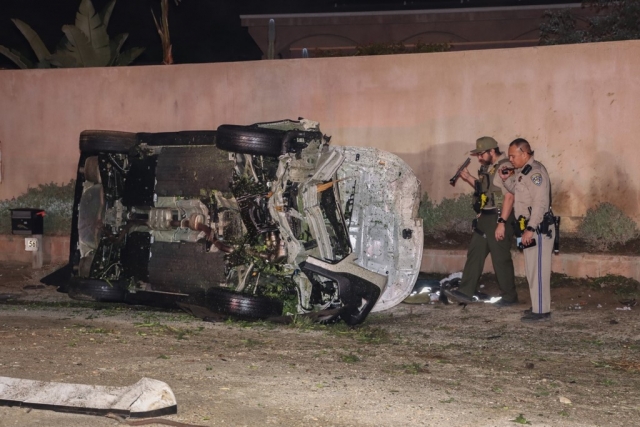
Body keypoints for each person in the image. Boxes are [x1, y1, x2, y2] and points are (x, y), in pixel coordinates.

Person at [444, 136, 518, 307]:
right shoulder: (489, 168)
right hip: (485, 216)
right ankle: (465, 291)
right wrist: (468, 177)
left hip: (499, 216)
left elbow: (509, 196)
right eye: (477, 155)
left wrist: (502, 222)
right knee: (475, 252)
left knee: (500, 257)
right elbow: (484, 189)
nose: (479, 158)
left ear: (492, 151)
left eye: (481, 154)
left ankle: (509, 296)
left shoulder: (505, 167)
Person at [500, 138, 554, 322]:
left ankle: (541, 311)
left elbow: (540, 204)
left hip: (538, 227)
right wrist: (506, 179)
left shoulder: (535, 173)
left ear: (524, 153)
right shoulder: (524, 172)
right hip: (529, 227)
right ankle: (538, 305)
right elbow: (516, 189)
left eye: (513, 156)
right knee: (532, 268)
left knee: (538, 269)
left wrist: (530, 229)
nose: (511, 160)